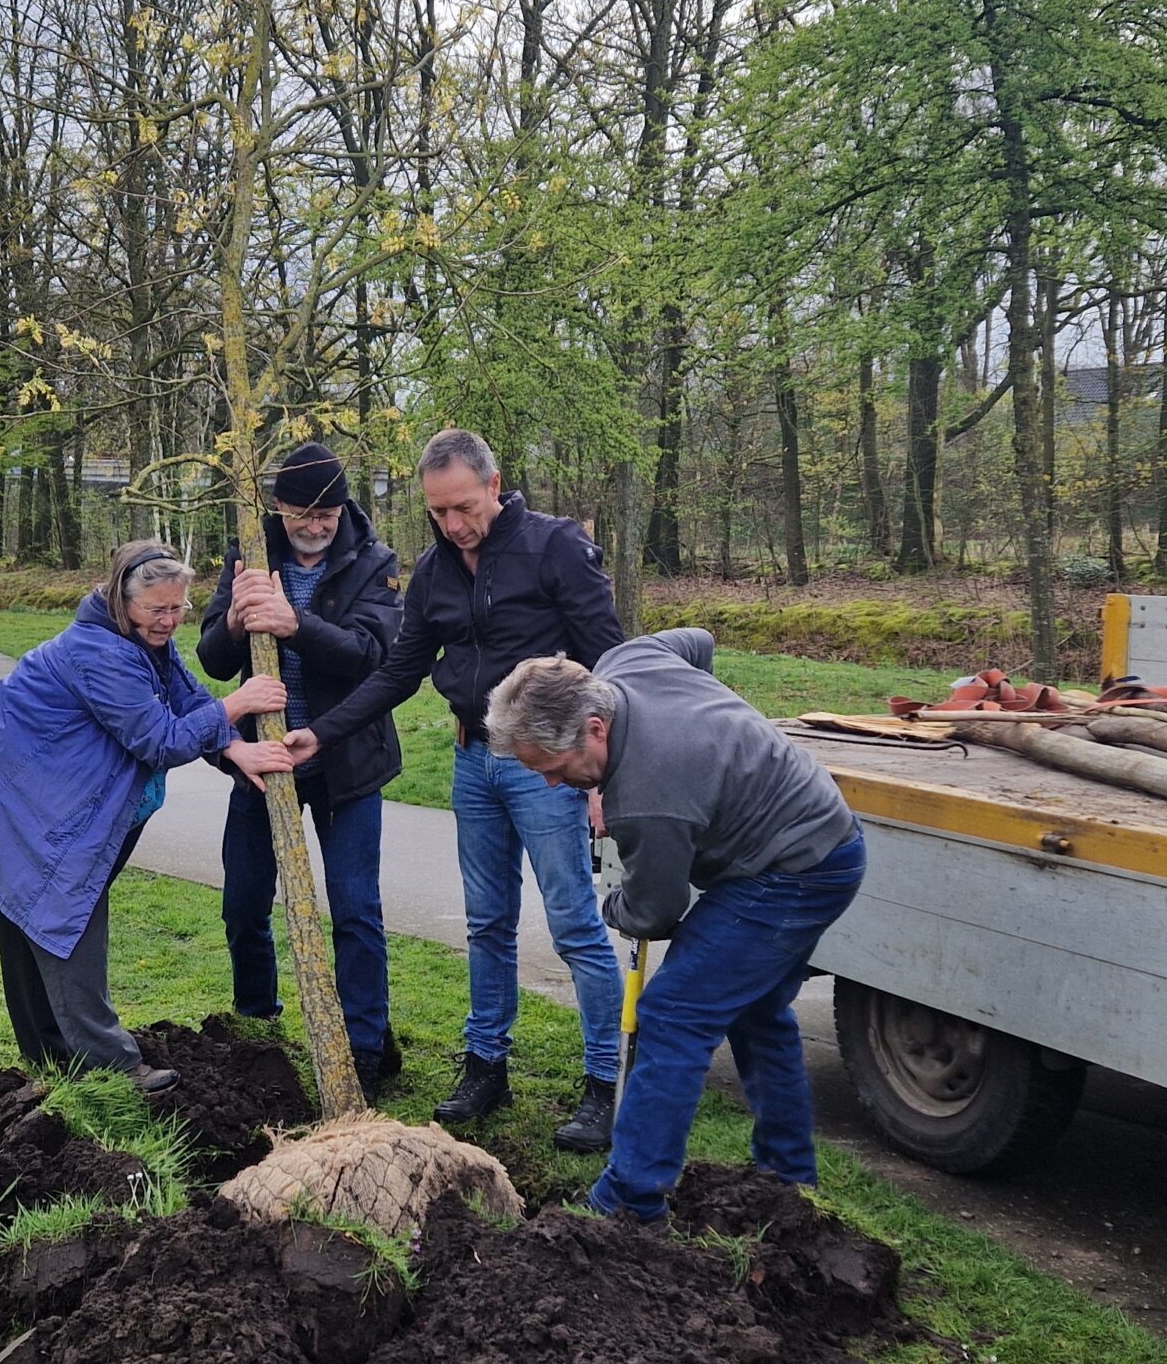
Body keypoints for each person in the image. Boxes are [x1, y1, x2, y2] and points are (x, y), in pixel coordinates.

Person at [288, 428, 629, 1150]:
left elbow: (613, 659)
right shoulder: (434, 571)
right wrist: (324, 732)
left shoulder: (554, 546)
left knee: (573, 923)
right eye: (439, 512)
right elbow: (397, 670)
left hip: (549, 766)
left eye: (464, 507)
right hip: (473, 762)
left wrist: (611, 775)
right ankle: (486, 1066)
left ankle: (606, 1082)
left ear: (495, 485)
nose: (454, 524)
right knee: (486, 923)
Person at [486, 632, 867, 1225]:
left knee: (673, 1015)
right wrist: (701, 729)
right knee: (757, 1012)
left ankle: (631, 1201)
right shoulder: (624, 663)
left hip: (796, 872)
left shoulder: (649, 800)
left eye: (557, 771)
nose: (554, 786)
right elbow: (700, 643)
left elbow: (654, 912)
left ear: (595, 728)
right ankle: (788, 1179)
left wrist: (614, 904)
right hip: (816, 835)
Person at [0, 541, 292, 1091]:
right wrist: (237, 704)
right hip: (9, 796)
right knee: (62, 915)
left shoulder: (139, 642)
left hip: (20, 791)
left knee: (33, 914)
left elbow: (186, 700)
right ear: (123, 600)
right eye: (157, 610)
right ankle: (112, 1066)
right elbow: (159, 738)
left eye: (178, 609)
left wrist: (232, 748)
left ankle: (52, 1058)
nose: (169, 621)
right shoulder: (101, 652)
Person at [196, 442, 406, 1093]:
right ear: (277, 507)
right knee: (243, 905)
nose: (315, 527)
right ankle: (258, 1028)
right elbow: (212, 659)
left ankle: (365, 1049)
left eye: (328, 514)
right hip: (262, 765)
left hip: (346, 765)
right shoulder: (249, 558)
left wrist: (295, 624)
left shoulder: (376, 562)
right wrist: (234, 620)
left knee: (354, 909)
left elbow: (373, 656)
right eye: (300, 515)